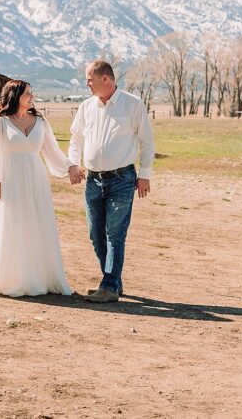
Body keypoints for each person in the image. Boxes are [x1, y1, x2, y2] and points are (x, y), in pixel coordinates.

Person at [0, 79, 82, 297]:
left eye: (32, 93)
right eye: (27, 93)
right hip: (10, 181)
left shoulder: (41, 122)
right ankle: (14, 280)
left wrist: (71, 167)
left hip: (36, 179)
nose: (32, 97)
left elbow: (53, 152)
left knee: (39, 224)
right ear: (15, 96)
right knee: (14, 226)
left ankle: (42, 278)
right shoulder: (1, 123)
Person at [68, 60, 155, 303]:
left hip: (122, 180)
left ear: (105, 78)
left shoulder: (132, 104)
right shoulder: (86, 107)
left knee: (115, 234)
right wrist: (73, 164)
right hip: (93, 181)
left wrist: (145, 174)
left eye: (89, 79)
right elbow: (75, 139)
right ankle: (113, 280)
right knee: (96, 234)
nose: (86, 83)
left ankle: (108, 286)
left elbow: (147, 141)